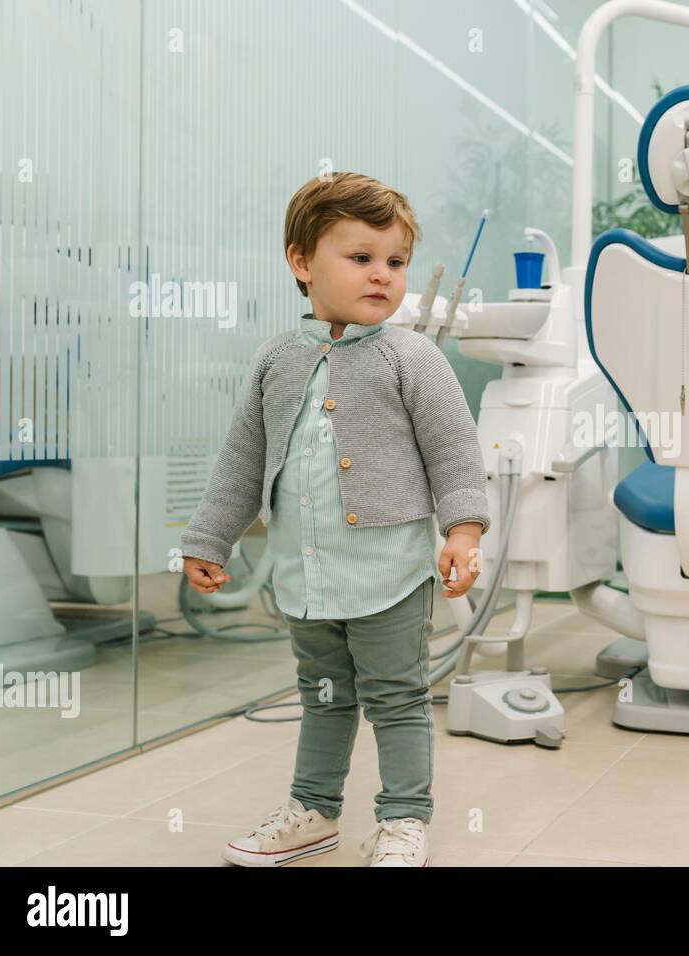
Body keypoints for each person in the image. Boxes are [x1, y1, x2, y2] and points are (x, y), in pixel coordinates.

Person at [180, 173, 490, 867]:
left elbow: (456, 455)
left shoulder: (413, 358)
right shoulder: (275, 361)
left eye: (395, 261)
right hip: (305, 575)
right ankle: (315, 810)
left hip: (390, 576)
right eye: (361, 258)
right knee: (322, 696)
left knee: (397, 698)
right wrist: (208, 537)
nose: (382, 274)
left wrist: (463, 532)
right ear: (301, 263)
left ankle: (404, 820)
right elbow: (241, 461)